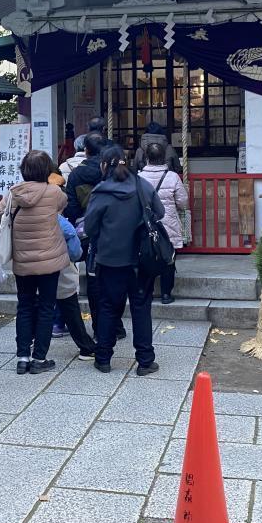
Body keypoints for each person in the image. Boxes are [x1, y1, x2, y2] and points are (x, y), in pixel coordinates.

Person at [85, 144, 163, 376]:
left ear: (103, 165)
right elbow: (159, 213)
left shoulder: (101, 192)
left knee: (108, 307)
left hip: (110, 260)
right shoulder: (142, 186)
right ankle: (145, 360)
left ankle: (104, 358)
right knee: (141, 308)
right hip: (141, 259)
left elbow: (89, 227)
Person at [0, 150, 70, 375]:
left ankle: (22, 357)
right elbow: (61, 208)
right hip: (49, 259)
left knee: (25, 306)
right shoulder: (55, 192)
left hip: (23, 260)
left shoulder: (13, 193)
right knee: (46, 307)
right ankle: (40, 358)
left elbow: (0, 212)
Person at [64, 133, 125, 340]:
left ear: (86, 150)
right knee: (114, 280)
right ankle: (116, 325)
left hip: (86, 230)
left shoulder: (76, 174)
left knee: (94, 282)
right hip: (115, 230)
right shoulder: (115, 172)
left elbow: (71, 208)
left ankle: (100, 327)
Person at [138, 142, 189, 304]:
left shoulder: (138, 177)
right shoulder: (172, 177)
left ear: (146, 158)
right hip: (167, 223)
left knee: (146, 256)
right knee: (168, 257)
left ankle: (146, 290)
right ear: (164, 158)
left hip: (145, 223)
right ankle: (166, 294)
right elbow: (182, 202)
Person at [56, 214, 96, 359]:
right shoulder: (51, 202)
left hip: (25, 263)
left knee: (30, 306)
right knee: (68, 304)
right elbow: (70, 236)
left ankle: (27, 353)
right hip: (55, 262)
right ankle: (86, 347)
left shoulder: (16, 201)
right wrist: (75, 256)